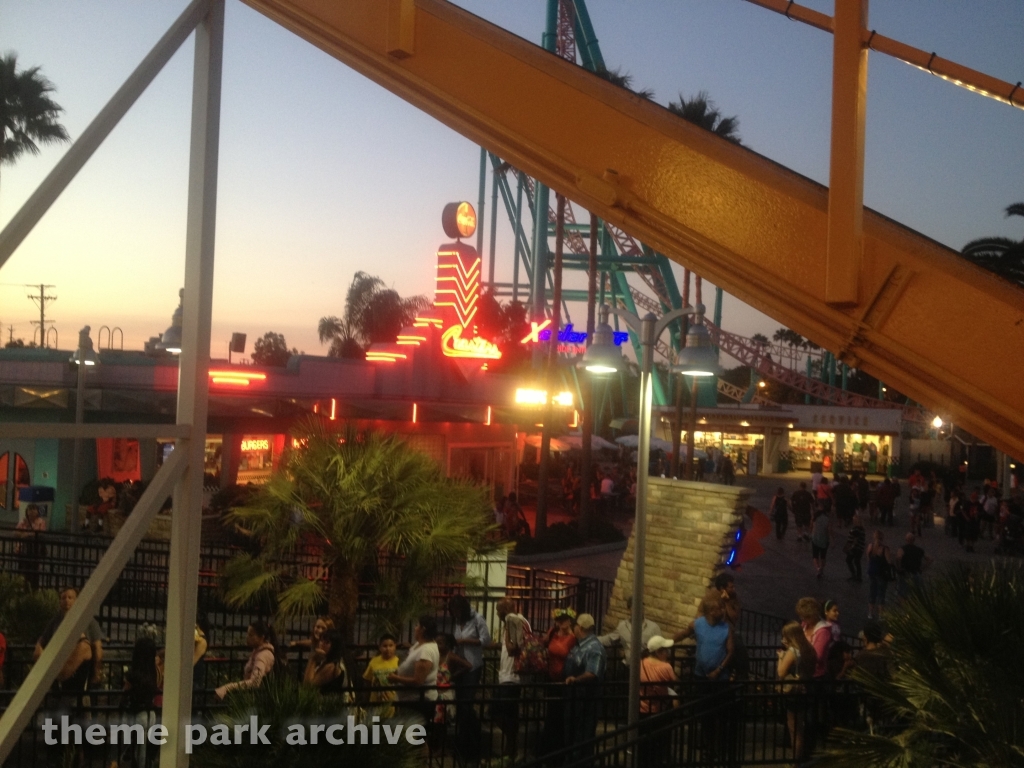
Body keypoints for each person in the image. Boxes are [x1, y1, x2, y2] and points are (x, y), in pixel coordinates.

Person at [35, 586, 105, 689]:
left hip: (78, 673)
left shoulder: (88, 621)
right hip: (57, 672)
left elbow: (97, 647)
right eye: (63, 598)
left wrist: (96, 673)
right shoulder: (56, 620)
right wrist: (38, 649)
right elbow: (43, 639)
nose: (66, 600)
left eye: (70, 597)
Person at [449, 595, 490, 763]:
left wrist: (466, 640)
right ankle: (465, 743)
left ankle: (472, 743)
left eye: (457, 610)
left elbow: (485, 640)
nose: (455, 614)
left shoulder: (477, 619)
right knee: (461, 705)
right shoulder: (457, 622)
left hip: (472, 665)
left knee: (467, 703)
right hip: (460, 666)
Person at [563, 613, 607, 762]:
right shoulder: (580, 644)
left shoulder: (594, 648)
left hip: (586, 700)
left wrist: (576, 679)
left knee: (583, 736)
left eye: (575, 625)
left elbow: (592, 673)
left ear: (580, 627)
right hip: (576, 698)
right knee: (573, 733)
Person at [492, 599, 529, 760]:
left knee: (500, 712)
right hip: (507, 676)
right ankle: (511, 747)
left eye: (498, 610)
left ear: (505, 610)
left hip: (512, 677)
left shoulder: (514, 621)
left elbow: (514, 647)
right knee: (505, 714)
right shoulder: (514, 621)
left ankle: (511, 746)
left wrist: (506, 639)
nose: (497, 613)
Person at [388, 615, 440, 726]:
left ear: (423, 629)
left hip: (419, 701)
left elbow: (418, 681)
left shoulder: (426, 651)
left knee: (414, 737)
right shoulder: (420, 645)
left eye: (417, 625)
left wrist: (396, 678)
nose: (415, 628)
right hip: (409, 700)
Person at [777, 621, 816, 764]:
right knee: (801, 727)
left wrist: (781, 658)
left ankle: (796, 760)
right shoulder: (809, 650)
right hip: (806, 690)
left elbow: (781, 672)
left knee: (794, 730)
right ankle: (801, 758)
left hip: (793, 694)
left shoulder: (793, 651)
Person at [120, 636, 160, 768]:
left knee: (134, 749)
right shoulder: (154, 672)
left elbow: (125, 694)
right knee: (143, 751)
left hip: (135, 714)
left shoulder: (133, 675)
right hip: (150, 714)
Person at [639, 636, 678, 766]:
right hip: (660, 710)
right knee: (660, 743)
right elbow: (674, 682)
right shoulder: (665, 667)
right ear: (658, 652)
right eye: (665, 650)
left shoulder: (641, 663)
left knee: (643, 745)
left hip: (642, 709)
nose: (667, 653)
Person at [674, 597, 733, 681]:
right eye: (720, 608)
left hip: (720, 677)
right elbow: (683, 634)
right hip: (700, 674)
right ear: (711, 611)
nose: (723, 611)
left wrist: (718, 670)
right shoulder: (697, 624)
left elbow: (730, 652)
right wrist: (667, 641)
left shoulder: (726, 628)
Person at [215, 621, 276, 699]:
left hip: (257, 700)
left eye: (251, 635)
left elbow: (254, 682)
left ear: (262, 637)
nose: (247, 637)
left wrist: (227, 688)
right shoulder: (258, 652)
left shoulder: (262, 656)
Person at [598, 594, 662, 666]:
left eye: (641, 606)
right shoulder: (623, 626)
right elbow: (609, 639)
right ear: (629, 610)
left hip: (647, 669)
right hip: (628, 668)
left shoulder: (653, 627)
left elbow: (661, 650)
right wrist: (590, 639)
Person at [303, 628, 349, 696]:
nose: (322, 644)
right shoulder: (325, 662)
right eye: (321, 640)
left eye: (327, 642)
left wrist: (313, 659)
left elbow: (308, 687)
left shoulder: (331, 666)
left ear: (334, 646)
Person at [363, 633, 399, 717]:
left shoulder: (398, 662)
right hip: (376, 703)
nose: (388, 649)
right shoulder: (374, 662)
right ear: (380, 648)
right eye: (385, 646)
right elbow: (367, 681)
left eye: (391, 645)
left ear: (395, 646)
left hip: (392, 703)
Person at [795, 597, 832, 679]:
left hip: (816, 674)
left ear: (815, 615)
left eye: (807, 617)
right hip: (803, 670)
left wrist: (797, 653)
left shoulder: (823, 631)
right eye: (802, 616)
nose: (803, 619)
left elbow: (818, 656)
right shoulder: (805, 624)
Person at [15, 503, 47, 588]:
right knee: (22, 569)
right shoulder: (23, 521)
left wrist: (27, 534)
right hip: (22, 550)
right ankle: (22, 586)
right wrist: (23, 535)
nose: (32, 512)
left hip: (35, 551)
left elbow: (41, 533)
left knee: (34, 570)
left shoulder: (41, 522)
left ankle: (33, 588)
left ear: (37, 512)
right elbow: (16, 532)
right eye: (30, 509)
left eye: (34, 509)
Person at [865, 530, 892, 620]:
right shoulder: (884, 548)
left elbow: (868, 559)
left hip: (872, 572)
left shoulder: (870, 546)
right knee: (881, 594)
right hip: (882, 574)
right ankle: (880, 615)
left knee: (872, 592)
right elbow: (889, 562)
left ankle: (870, 613)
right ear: (882, 538)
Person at [896, 533, 930, 597]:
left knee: (902, 594)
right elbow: (929, 559)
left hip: (905, 573)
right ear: (914, 540)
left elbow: (899, 557)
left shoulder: (902, 549)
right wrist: (922, 568)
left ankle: (904, 606)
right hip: (916, 572)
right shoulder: (919, 550)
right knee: (915, 593)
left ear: (906, 540)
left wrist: (899, 568)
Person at [843, 514, 866, 582]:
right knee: (856, 561)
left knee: (849, 560)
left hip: (855, 548)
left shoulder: (856, 529)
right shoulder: (862, 529)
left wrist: (850, 547)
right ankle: (858, 576)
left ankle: (854, 575)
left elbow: (854, 540)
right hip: (860, 548)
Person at [811, 506, 831, 580]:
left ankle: (818, 568)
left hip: (815, 538)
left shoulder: (815, 517)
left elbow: (811, 526)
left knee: (815, 556)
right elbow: (829, 530)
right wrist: (832, 540)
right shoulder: (827, 519)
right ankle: (822, 569)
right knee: (823, 556)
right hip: (824, 539)